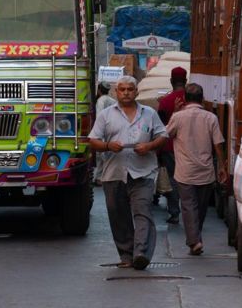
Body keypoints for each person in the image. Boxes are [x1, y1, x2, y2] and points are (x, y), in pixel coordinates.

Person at [88, 76, 167, 270]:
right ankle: (126, 254)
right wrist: (108, 145)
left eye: (129, 89)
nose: (125, 93)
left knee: (143, 212)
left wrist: (149, 146)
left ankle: (141, 253)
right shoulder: (106, 115)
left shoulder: (149, 113)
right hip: (114, 173)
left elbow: (162, 136)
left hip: (143, 173)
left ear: (136, 92)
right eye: (122, 89)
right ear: (116, 92)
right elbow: (93, 141)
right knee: (118, 215)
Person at [166, 83, 228, 256]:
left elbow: (165, 135)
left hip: (185, 171)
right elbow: (218, 145)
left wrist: (175, 113)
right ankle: (195, 239)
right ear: (202, 99)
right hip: (205, 171)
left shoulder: (178, 117)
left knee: (188, 207)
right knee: (200, 208)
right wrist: (222, 166)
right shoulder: (211, 118)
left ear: (185, 98)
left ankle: (194, 240)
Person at [156, 67, 187, 224]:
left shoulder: (165, 102)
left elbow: (160, 127)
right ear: (186, 81)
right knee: (190, 181)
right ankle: (190, 213)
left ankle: (174, 212)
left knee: (173, 179)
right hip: (191, 147)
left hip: (169, 147)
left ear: (171, 81)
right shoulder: (193, 99)